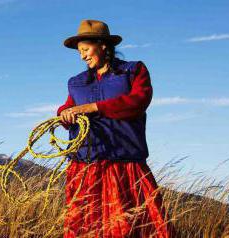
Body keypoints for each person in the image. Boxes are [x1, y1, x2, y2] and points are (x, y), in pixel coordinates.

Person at [57, 19, 173, 237]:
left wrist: (94, 107)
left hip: (124, 164)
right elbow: (68, 106)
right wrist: (63, 113)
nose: (82, 56)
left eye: (86, 49)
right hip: (84, 167)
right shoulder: (77, 82)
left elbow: (138, 101)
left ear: (103, 45)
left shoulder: (133, 71)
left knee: (132, 227)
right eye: (79, 52)